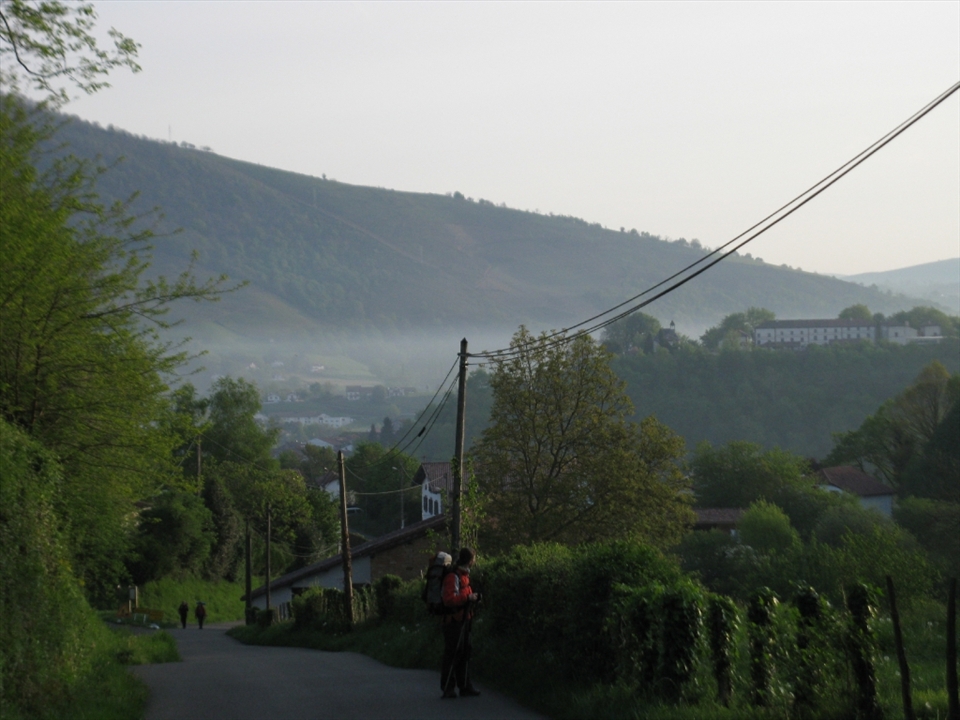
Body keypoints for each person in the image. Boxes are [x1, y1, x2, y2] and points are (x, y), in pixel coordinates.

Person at [440, 547, 480, 699]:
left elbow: (461, 594)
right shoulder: (453, 576)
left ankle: (464, 686)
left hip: (464, 619)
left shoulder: (463, 575)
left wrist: (471, 597)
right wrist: (468, 598)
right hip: (453, 621)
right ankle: (448, 688)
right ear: (470, 560)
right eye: (473, 559)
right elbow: (449, 599)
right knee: (452, 654)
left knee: (465, 652)